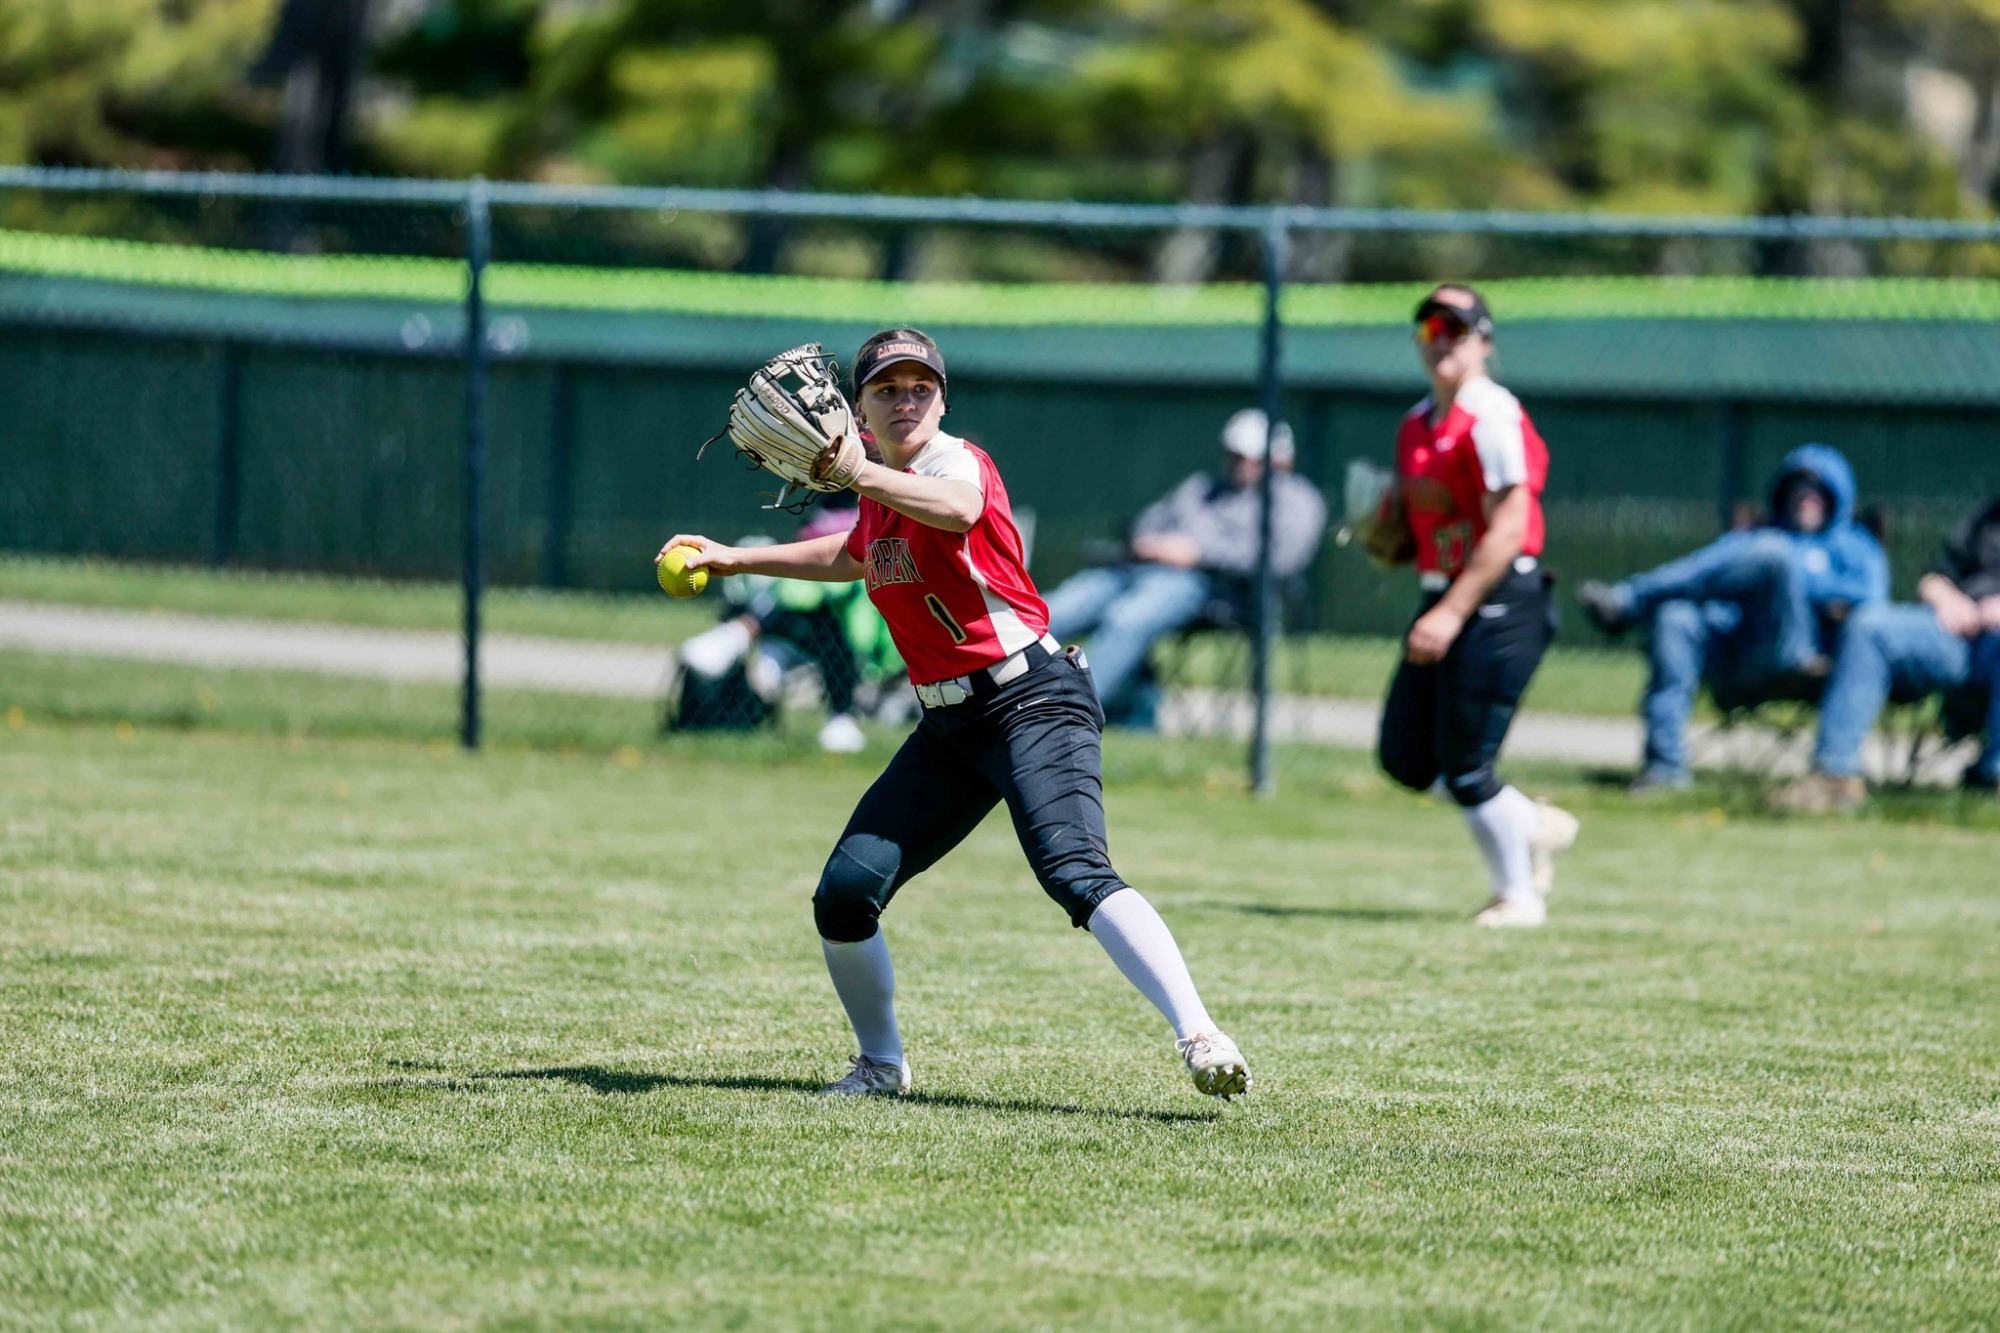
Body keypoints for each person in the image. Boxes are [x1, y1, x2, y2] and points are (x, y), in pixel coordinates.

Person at [658, 328, 1250, 1099]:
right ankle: (881, 1064)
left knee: (1075, 873)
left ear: (942, 401)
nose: (906, 401)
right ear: (857, 409)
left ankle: (1201, 1035)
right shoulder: (879, 492)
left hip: (1033, 700)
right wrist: (735, 556)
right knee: (845, 894)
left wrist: (860, 470)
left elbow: (958, 508)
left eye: (921, 388)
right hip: (949, 726)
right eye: (886, 389)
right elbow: (854, 554)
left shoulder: (954, 463)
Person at [1373, 284, 1579, 928]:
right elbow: (1431, 519)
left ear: (1484, 342)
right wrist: (1390, 531)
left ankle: (1518, 896)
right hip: (1445, 592)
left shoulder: (1491, 414)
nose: (1440, 342)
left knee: (1465, 764)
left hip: (1500, 597)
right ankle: (1532, 822)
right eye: (1429, 330)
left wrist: (1451, 613)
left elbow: (1509, 529)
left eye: (1455, 330)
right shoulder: (1417, 423)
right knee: (1405, 757)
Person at [1577, 445, 1889, 792]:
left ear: (1836, 497)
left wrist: (1804, 581)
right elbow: (1706, 578)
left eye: (1817, 491)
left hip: (1804, 656)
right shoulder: (1756, 537)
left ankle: (1632, 600)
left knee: (1774, 556)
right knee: (1676, 617)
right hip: (1739, 654)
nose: (1805, 497)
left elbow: (1871, 605)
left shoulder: (1855, 545)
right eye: (1797, 488)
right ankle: (1666, 768)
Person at [1041, 409, 1327, 724]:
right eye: (1233, 455)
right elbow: (1150, 520)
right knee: (1057, 609)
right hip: (1137, 570)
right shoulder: (1202, 488)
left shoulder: (1298, 500)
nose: (1237, 464)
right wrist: (1152, 543)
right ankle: (1014, 697)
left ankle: (1068, 712)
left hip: (1214, 589)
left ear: (1278, 460)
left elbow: (1282, 559)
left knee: (1127, 619)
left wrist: (1199, 552)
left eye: (1247, 458)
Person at [1771, 496, 2000, 812]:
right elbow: (1935, 577)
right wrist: (1947, 598)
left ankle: (1994, 776)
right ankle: (1835, 776)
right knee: (1869, 628)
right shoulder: (1989, 515)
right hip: (1959, 635)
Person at [672, 493, 903, 752]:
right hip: (787, 635)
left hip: (844, 643)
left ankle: (742, 631)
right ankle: (742, 636)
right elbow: (796, 593)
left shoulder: (873, 522)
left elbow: (838, 588)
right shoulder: (819, 522)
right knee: (770, 665)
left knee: (824, 619)